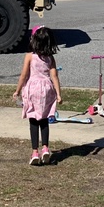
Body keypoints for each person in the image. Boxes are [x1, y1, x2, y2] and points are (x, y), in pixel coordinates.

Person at [12, 26, 63, 166]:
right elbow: (54, 76)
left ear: (34, 40)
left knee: (33, 120)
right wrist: (58, 94)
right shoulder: (50, 58)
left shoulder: (29, 56)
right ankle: (45, 148)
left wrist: (17, 91)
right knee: (44, 119)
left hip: (32, 89)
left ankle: (35, 151)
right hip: (46, 89)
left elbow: (24, 75)